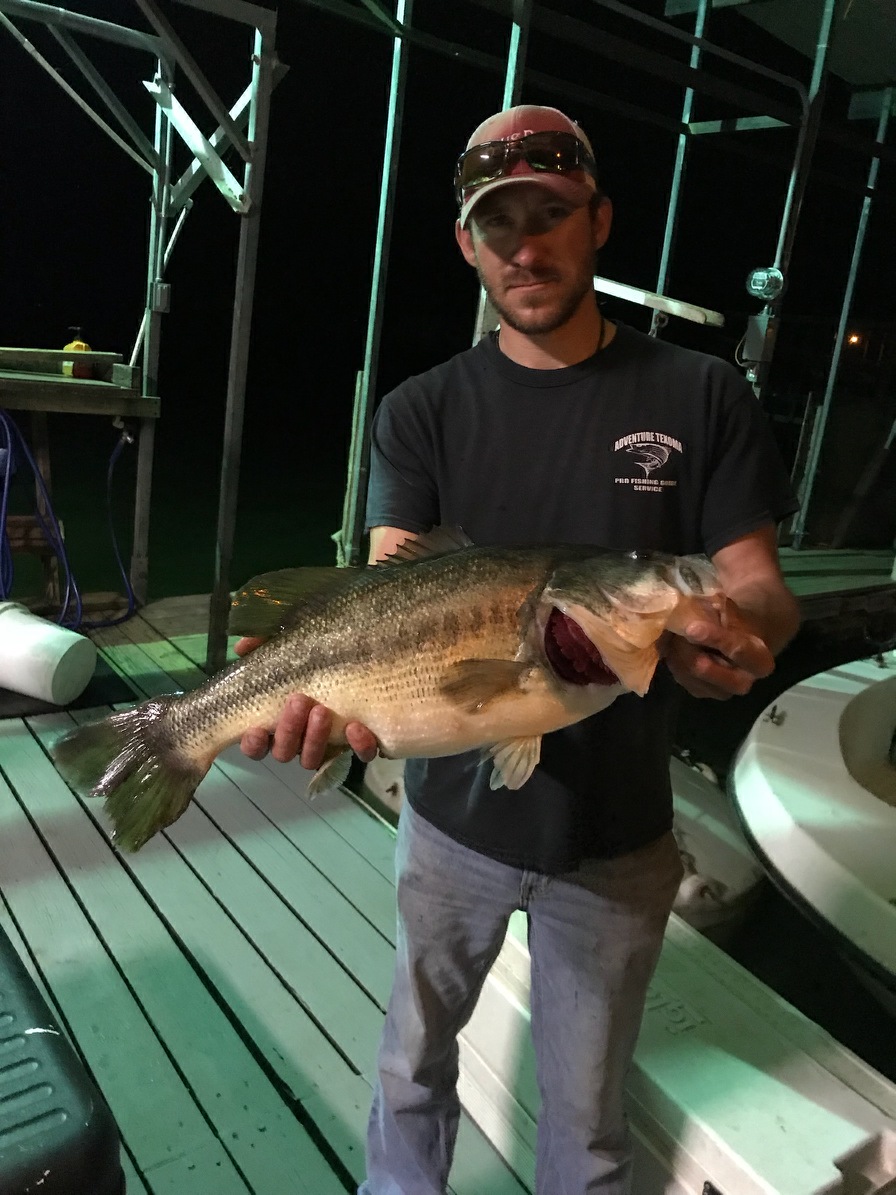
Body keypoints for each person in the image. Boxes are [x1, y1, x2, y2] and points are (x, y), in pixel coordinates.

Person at [236, 104, 801, 1194]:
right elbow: (389, 586)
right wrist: (332, 706)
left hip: (619, 834)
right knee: (410, 1067)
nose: (525, 249)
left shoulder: (699, 392)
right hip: (450, 824)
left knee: (587, 1126)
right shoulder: (421, 410)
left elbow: (753, 582)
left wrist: (741, 631)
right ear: (468, 244)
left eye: (550, 217)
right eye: (499, 226)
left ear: (599, 221)